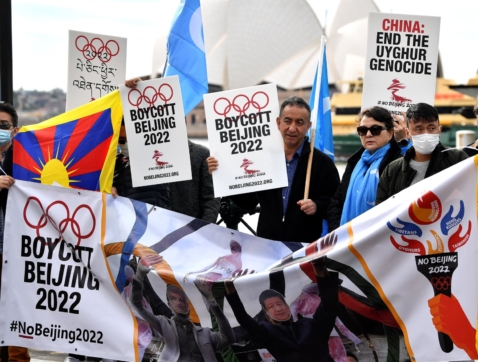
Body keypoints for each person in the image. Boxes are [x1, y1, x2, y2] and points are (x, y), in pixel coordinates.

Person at [208, 96, 340, 243]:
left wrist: (317, 206)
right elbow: (248, 202)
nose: (292, 128)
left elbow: (336, 203)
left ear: (308, 126)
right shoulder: (262, 159)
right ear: (278, 123)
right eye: (287, 121)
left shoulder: (322, 163)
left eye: (299, 122)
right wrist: (222, 175)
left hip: (305, 246)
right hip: (267, 244)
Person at [224, 235, 339, 362]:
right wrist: (230, 288)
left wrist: (319, 266)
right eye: (271, 307)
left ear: (288, 307)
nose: (278, 308)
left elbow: (330, 304)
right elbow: (243, 318)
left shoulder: (311, 325)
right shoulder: (267, 333)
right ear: (267, 317)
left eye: (280, 304)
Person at [124, 78, 219, 222]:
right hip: (153, 231)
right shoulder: (142, 155)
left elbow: (210, 199)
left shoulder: (201, 155)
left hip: (190, 233)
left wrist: (203, 231)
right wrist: (134, 90)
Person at [130, 254, 235, 362]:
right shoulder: (163, 324)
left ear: (188, 305)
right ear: (169, 304)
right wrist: (139, 276)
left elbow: (228, 338)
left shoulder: (205, 333)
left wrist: (211, 300)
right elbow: (137, 304)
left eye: (181, 299)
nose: (178, 302)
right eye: (173, 298)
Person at [376, 103, 469, 204]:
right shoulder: (392, 171)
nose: (426, 133)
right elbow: (382, 211)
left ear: (439, 130)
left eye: (431, 128)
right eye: (419, 129)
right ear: (407, 133)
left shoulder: (458, 160)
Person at [327, 106, 401, 230]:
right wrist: (339, 232)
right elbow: (336, 202)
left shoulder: (398, 163)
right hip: (347, 241)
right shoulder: (354, 163)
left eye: (375, 129)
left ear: (390, 133)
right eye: (362, 130)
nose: (368, 134)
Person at [0, 103, 30, 362]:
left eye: (3, 125)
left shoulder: (23, 161)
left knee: (17, 321)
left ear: (14, 130)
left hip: (16, 254)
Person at [112, 120, 171, 209]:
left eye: (131, 139)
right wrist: (108, 190)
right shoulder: (111, 166)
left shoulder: (157, 160)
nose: (126, 143)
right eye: (121, 140)